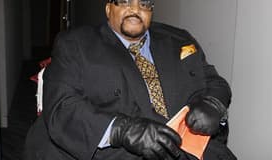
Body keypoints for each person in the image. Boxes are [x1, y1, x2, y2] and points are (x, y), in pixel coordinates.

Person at [24, 0, 237, 159]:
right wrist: (121, 130)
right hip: (118, 152)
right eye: (124, 1)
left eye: (143, 3)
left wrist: (213, 104)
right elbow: (62, 106)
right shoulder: (76, 44)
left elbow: (214, 81)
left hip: (188, 148)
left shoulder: (179, 39)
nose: (135, 9)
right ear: (108, 9)